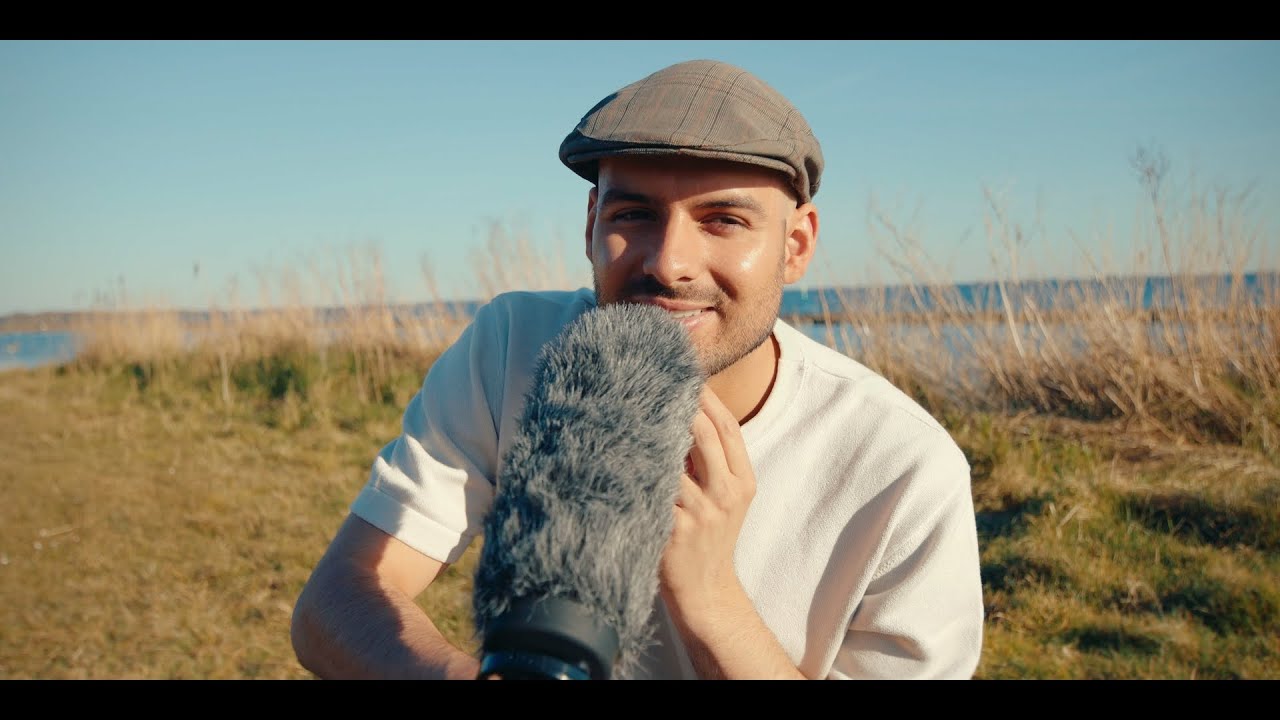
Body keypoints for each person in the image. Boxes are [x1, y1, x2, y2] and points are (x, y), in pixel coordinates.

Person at [290, 58, 985, 680]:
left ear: (797, 245)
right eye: (634, 213)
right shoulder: (512, 346)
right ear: (593, 221)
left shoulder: (902, 469)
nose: (666, 261)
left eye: (723, 221)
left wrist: (712, 600)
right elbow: (338, 600)